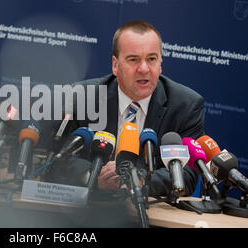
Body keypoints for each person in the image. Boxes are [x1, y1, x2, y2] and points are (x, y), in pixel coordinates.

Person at [46, 21, 204, 199]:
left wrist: (139, 179)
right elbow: (56, 160)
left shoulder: (185, 106)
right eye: (133, 59)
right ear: (115, 65)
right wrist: (93, 175)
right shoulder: (82, 97)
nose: (144, 69)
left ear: (160, 64)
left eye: (151, 59)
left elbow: (187, 175)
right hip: (89, 209)